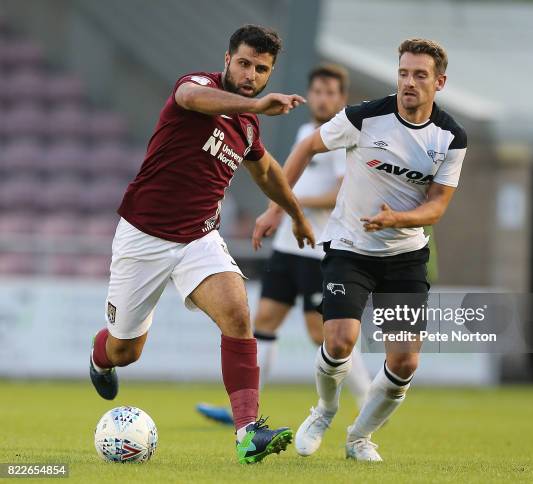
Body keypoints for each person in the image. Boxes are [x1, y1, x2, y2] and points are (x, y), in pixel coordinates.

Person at [88, 24, 315, 465]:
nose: (251, 74)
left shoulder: (248, 126)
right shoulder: (198, 87)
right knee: (125, 349)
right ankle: (100, 359)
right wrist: (254, 104)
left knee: (237, 312)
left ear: (269, 74)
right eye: (245, 63)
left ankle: (248, 434)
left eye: (261, 69)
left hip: (198, 237)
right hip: (144, 237)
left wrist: (298, 216)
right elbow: (191, 100)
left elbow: (267, 173)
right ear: (227, 60)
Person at [253, 38, 467, 461]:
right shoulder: (365, 117)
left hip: (406, 256)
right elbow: (305, 147)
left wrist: (396, 220)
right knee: (339, 340)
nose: (409, 82)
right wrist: (277, 210)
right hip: (350, 247)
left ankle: (359, 437)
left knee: (405, 363)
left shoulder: (451, 137)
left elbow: (437, 206)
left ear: (439, 82)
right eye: (403, 73)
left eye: (419, 75)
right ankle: (324, 410)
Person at [197, 65, 371, 427]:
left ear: (341, 99)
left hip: (318, 250)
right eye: (318, 91)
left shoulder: (339, 136)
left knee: (320, 333)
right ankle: (243, 410)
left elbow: (343, 193)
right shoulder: (307, 132)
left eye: (330, 92)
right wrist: (281, 211)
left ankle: (368, 399)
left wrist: (294, 205)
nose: (323, 98)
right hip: (288, 247)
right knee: (263, 323)